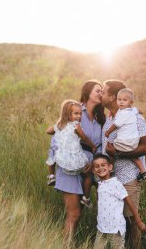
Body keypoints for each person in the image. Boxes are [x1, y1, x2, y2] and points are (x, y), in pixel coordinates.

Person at [45, 80, 105, 240]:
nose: (101, 93)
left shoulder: (101, 116)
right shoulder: (75, 111)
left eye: (102, 91)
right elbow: (57, 137)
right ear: (87, 93)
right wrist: (54, 161)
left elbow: (98, 145)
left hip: (93, 167)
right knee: (74, 215)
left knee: (86, 211)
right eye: (97, 90)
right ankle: (65, 244)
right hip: (70, 167)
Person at [101, 79, 146, 249]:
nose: (101, 94)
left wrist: (118, 154)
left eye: (103, 92)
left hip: (129, 177)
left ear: (113, 97)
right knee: (117, 220)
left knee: (131, 219)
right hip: (112, 179)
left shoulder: (135, 118)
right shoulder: (109, 119)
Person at [92, 154, 146, 249]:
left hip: (115, 228)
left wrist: (139, 221)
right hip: (101, 228)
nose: (100, 168)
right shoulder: (100, 184)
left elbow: (129, 201)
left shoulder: (115, 184)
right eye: (97, 166)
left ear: (110, 167)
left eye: (103, 165)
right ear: (93, 171)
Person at [104, 88, 146, 181]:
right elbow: (138, 110)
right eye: (119, 100)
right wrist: (138, 110)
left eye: (124, 100)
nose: (121, 102)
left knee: (110, 149)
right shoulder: (132, 111)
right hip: (133, 142)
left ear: (131, 102)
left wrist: (108, 132)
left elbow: (116, 125)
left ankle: (111, 169)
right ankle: (143, 172)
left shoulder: (123, 114)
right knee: (134, 156)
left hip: (128, 177)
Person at [46, 99, 97, 176]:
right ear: (67, 114)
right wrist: (93, 146)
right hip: (73, 154)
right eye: (76, 114)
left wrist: (57, 126)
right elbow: (84, 138)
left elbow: (48, 131)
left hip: (62, 155)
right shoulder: (76, 125)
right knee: (86, 168)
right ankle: (52, 176)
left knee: (52, 153)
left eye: (80, 114)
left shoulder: (61, 125)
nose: (79, 116)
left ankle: (51, 175)